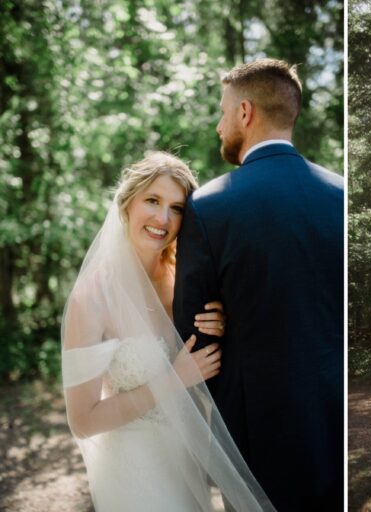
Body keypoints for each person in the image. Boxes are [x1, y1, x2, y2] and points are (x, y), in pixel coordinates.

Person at [172, 58, 344, 510]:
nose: (218, 124)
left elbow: (192, 337)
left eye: (223, 111)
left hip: (258, 436)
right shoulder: (343, 194)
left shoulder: (208, 206)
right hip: (338, 424)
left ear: (245, 113)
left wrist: (232, 319)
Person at [62, 152, 274, 511]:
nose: (163, 218)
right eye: (152, 201)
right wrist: (173, 379)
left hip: (189, 460)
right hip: (136, 474)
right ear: (127, 203)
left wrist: (221, 324)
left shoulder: (187, 282)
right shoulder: (92, 298)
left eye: (176, 208)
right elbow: (83, 421)